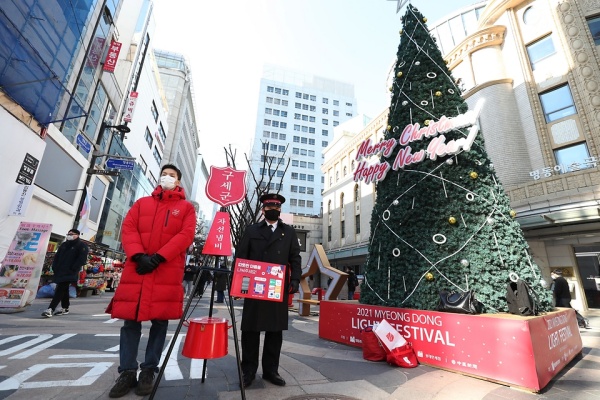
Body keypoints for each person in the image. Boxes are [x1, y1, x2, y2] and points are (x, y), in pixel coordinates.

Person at [106, 164, 196, 398]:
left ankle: (149, 370)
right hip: (138, 270)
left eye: (172, 175)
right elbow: (128, 228)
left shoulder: (186, 208)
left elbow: (186, 235)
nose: (167, 177)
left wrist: (158, 257)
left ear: (178, 181)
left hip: (165, 270)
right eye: (164, 174)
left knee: (160, 323)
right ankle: (127, 372)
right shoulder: (142, 203)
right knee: (130, 323)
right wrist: (137, 255)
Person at [235, 193, 301, 388]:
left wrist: (295, 279)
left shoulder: (288, 232)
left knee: (275, 331)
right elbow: (241, 258)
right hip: (254, 288)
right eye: (270, 207)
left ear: (280, 210)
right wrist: (238, 282)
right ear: (263, 210)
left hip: (276, 287)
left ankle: (271, 370)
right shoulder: (251, 230)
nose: (274, 210)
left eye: (277, 207)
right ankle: (248, 370)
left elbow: (295, 258)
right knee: (250, 331)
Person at [42, 228, 89, 317]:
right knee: (64, 289)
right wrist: (54, 267)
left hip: (70, 272)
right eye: (68, 234)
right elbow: (57, 257)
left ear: (77, 235)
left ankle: (50, 309)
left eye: (72, 234)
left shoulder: (82, 245)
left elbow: (82, 260)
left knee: (60, 288)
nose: (69, 235)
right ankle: (65, 307)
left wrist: (73, 268)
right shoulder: (64, 245)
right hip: (60, 270)